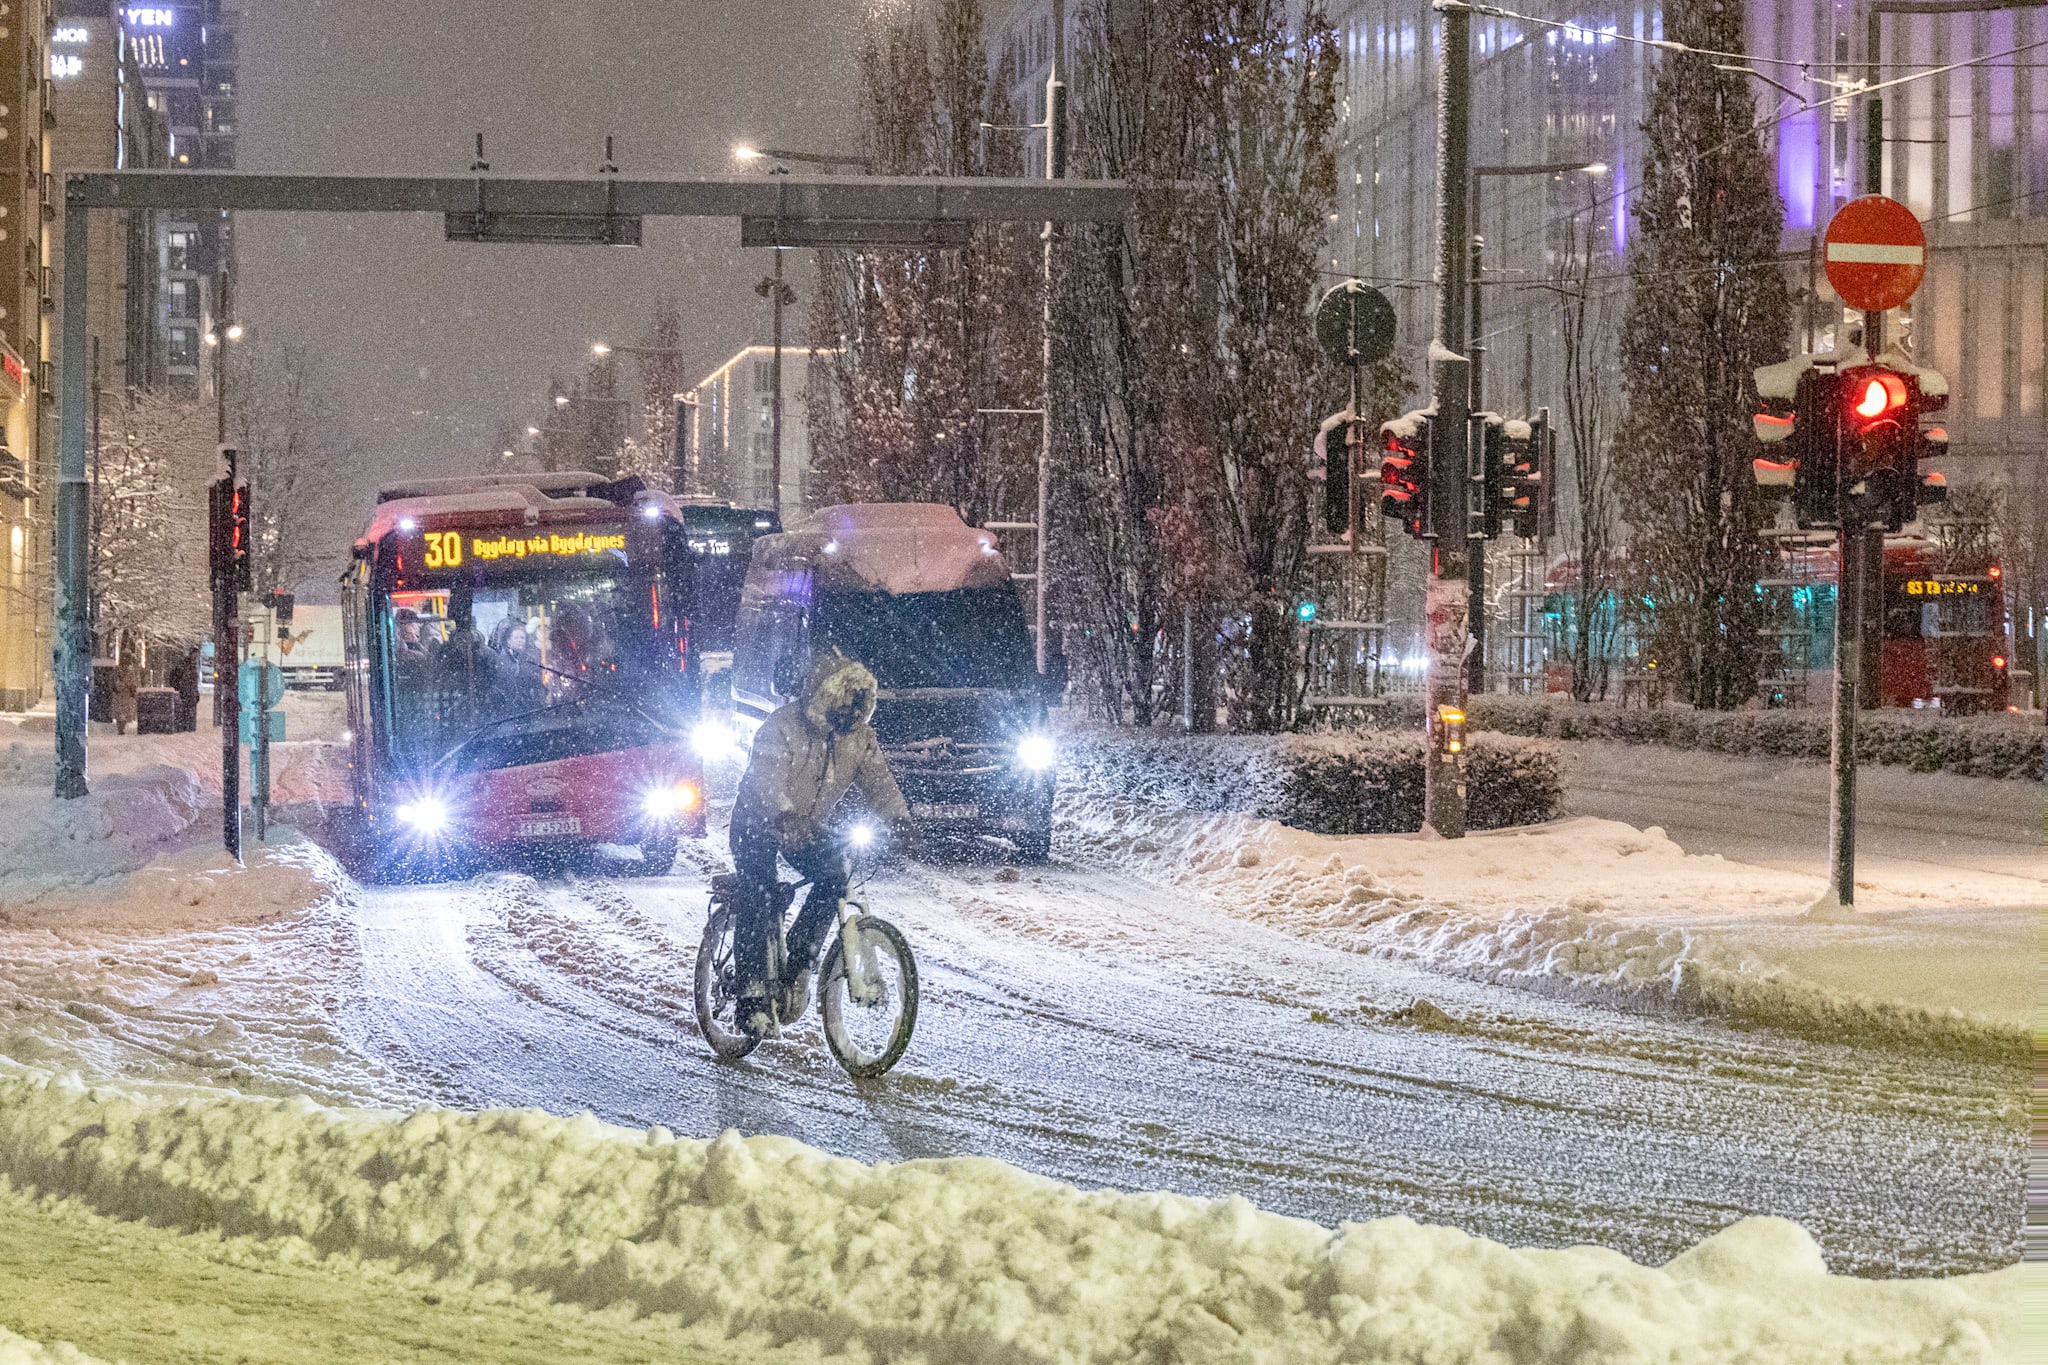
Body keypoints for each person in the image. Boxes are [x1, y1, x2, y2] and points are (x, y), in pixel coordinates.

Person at [729, 651, 914, 1040]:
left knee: (834, 875)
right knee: (759, 894)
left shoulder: (859, 739)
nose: (852, 708)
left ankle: (800, 959)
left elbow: (879, 781)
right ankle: (750, 998)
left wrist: (899, 820)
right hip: (758, 822)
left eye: (859, 700)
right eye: (846, 698)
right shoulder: (781, 728)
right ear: (824, 695)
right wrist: (785, 815)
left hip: (807, 826)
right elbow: (766, 781)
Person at [167, 646, 202, 732]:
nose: (196, 658)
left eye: (197, 656)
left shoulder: (192, 666)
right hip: (185, 694)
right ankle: (186, 729)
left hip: (190, 695)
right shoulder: (184, 666)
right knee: (185, 714)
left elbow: (193, 683)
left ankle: (189, 729)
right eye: (195, 655)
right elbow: (175, 678)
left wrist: (196, 693)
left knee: (189, 715)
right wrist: (179, 688)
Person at [111, 655, 140, 736]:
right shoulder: (127, 671)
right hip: (123, 694)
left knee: (122, 712)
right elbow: (133, 683)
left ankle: (121, 727)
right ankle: (121, 728)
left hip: (123, 694)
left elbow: (132, 683)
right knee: (122, 711)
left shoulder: (124, 671)